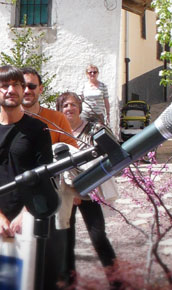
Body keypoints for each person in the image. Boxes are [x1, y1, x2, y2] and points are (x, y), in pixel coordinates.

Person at [0, 65, 53, 238]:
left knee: (30, 266)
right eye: (5, 86)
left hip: (28, 220)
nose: (11, 90)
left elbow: (45, 175)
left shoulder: (39, 129)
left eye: (17, 85)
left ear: (22, 89)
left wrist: (26, 213)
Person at [55, 92, 119, 288]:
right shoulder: (57, 132)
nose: (69, 108)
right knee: (66, 237)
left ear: (80, 108)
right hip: (66, 193)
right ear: (59, 110)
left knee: (98, 236)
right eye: (65, 105)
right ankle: (68, 281)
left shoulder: (93, 129)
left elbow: (112, 153)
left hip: (91, 190)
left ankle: (117, 281)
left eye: (73, 104)